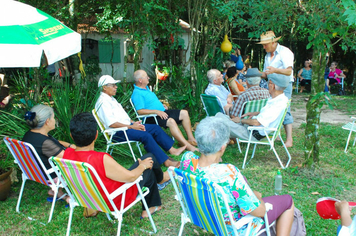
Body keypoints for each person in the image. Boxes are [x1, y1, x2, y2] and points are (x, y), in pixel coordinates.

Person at [181, 116, 294, 235]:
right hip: (235, 229)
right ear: (222, 147)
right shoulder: (228, 173)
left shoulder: (187, 159)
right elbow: (260, 212)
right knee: (287, 201)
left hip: (204, 219)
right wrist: (257, 198)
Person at [63, 112, 169, 218]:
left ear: (71, 136)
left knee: (146, 160)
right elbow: (131, 177)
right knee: (149, 161)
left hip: (92, 200)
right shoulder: (100, 158)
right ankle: (150, 206)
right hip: (116, 199)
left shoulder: (67, 154)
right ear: (96, 135)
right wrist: (143, 166)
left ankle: (161, 178)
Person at [95, 75, 185, 168]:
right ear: (104, 87)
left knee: (155, 128)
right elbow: (112, 123)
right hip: (118, 132)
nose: (116, 87)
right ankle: (165, 161)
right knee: (145, 135)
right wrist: (131, 126)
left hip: (127, 127)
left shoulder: (111, 99)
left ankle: (172, 150)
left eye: (115, 85)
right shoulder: (103, 102)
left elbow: (122, 117)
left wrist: (133, 122)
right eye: (113, 85)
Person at [131, 70, 198, 152]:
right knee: (171, 121)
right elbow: (140, 111)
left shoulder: (146, 89)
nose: (148, 77)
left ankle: (191, 139)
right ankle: (187, 146)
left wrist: (160, 105)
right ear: (140, 80)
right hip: (151, 117)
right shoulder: (137, 93)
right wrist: (156, 111)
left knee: (184, 113)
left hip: (162, 112)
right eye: (146, 76)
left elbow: (150, 102)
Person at [22, 104, 74, 200]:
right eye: (53, 117)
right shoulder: (44, 142)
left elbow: (55, 142)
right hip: (53, 176)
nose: (55, 120)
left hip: (37, 173)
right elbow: (67, 159)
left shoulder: (30, 134)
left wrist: (70, 145)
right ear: (47, 121)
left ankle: (56, 191)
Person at [215, 73, 289, 141]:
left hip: (252, 132)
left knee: (217, 122)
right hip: (252, 127)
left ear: (272, 86)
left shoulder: (276, 103)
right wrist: (255, 113)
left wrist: (240, 120)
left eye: (269, 83)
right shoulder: (280, 99)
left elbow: (257, 122)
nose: (268, 84)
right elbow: (270, 114)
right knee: (219, 116)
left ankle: (215, 146)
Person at [258, 31, 294, 147]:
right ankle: (276, 135)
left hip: (284, 84)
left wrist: (275, 70)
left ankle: (289, 139)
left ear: (273, 42)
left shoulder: (285, 52)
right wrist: (258, 74)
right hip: (271, 85)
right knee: (272, 107)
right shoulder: (267, 55)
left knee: (284, 109)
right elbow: (266, 74)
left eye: (266, 44)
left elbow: (289, 71)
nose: (264, 47)